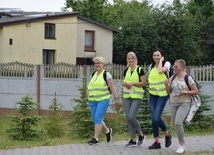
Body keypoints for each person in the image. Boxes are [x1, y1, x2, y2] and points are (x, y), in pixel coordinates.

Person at [165, 59, 198, 154]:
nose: (174, 68)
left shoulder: (188, 78)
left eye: (176, 66)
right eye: (174, 66)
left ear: (182, 68)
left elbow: (195, 91)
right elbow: (168, 92)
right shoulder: (173, 77)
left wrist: (185, 92)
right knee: (176, 124)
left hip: (185, 102)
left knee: (178, 122)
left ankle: (182, 144)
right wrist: (166, 84)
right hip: (174, 103)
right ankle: (180, 143)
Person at [87, 56, 120, 145]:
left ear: (103, 64)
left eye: (99, 63)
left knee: (98, 118)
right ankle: (107, 131)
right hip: (93, 100)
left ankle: (95, 139)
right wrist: (88, 93)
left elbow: (112, 87)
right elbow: (90, 86)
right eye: (96, 63)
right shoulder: (93, 74)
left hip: (103, 100)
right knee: (95, 119)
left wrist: (116, 98)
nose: (97, 64)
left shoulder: (106, 74)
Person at [147, 48, 172, 149]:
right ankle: (157, 142)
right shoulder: (150, 66)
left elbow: (161, 71)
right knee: (153, 119)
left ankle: (167, 133)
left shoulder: (167, 64)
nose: (156, 57)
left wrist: (161, 61)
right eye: (154, 55)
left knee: (157, 117)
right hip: (153, 95)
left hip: (163, 94)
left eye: (158, 55)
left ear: (162, 56)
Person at [122, 51, 146, 147]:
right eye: (129, 58)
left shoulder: (140, 70)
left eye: (132, 58)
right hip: (127, 95)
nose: (131, 60)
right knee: (128, 118)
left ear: (135, 59)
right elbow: (124, 81)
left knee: (131, 116)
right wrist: (124, 84)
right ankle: (132, 139)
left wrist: (134, 83)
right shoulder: (126, 70)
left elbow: (144, 83)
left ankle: (141, 134)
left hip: (136, 96)